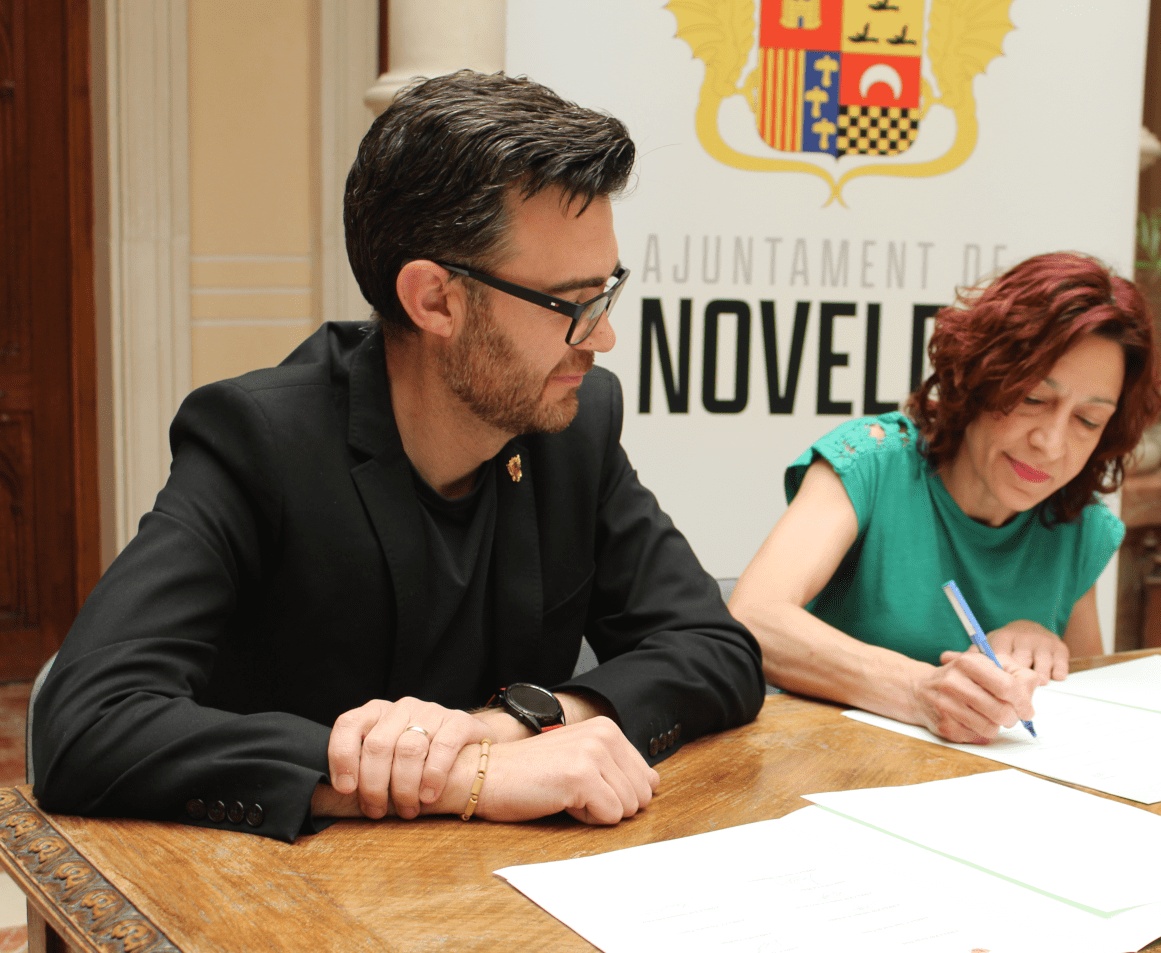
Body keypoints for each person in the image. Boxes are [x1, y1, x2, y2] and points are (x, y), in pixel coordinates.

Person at [31, 72, 764, 842]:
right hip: (286, 892)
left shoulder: (571, 426)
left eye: (605, 292)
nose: (602, 337)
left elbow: (715, 650)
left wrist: (518, 723)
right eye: (572, 303)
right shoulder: (260, 442)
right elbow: (85, 724)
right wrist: (454, 779)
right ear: (435, 299)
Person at [729, 253, 1161, 744]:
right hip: (829, 767)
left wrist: (1042, 647)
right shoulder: (872, 461)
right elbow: (752, 617)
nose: (1052, 444)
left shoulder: (1077, 523)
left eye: (1088, 420)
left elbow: (1085, 712)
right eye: (1033, 400)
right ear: (981, 375)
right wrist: (918, 690)